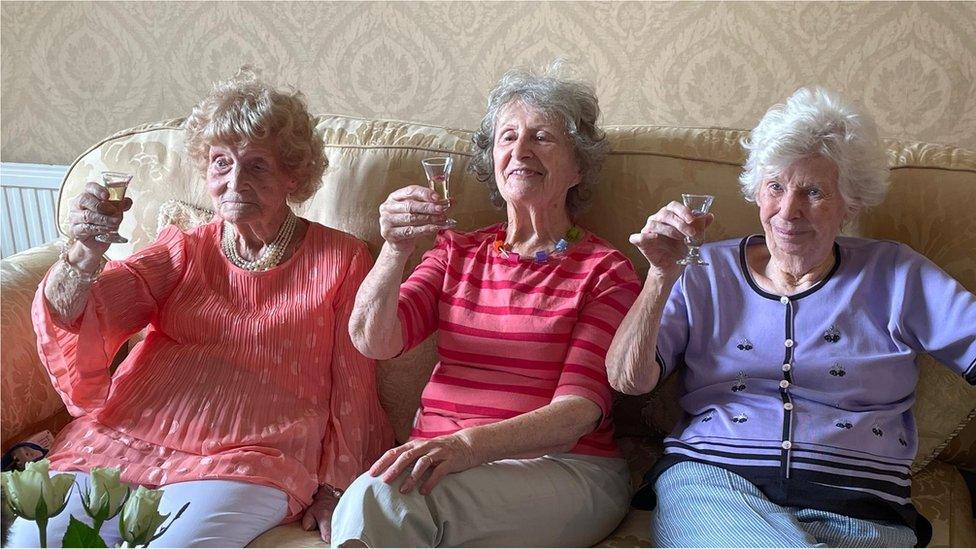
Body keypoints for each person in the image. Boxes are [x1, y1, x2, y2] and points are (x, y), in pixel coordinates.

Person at [13, 70, 393, 547]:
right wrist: (85, 251)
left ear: (292, 174)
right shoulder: (183, 249)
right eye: (220, 163)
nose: (234, 181)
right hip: (126, 434)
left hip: (254, 452)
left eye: (257, 165)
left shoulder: (342, 259)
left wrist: (338, 485)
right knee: (34, 537)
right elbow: (76, 312)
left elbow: (352, 386)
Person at [607, 86, 976, 548]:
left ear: (851, 204)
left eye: (814, 192)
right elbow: (627, 379)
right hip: (714, 489)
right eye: (775, 186)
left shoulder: (896, 274)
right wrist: (661, 275)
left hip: (859, 505)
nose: (788, 211)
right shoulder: (707, 269)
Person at [330, 65, 641, 547]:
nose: (520, 150)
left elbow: (576, 415)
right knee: (381, 496)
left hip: (564, 469)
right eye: (508, 137)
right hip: (444, 463)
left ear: (578, 167)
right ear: (492, 160)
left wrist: (465, 445)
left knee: (380, 497)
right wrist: (394, 249)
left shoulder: (604, 271)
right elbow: (373, 338)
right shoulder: (456, 251)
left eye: (542, 137)